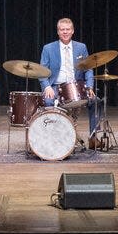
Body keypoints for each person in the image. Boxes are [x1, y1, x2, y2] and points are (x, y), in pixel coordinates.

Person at [38, 18, 97, 147]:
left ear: (73, 31)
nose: (65, 32)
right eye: (62, 30)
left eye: (67, 29)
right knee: (48, 101)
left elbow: (88, 69)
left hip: (76, 85)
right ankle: (52, 139)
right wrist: (47, 86)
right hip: (55, 86)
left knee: (95, 101)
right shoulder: (48, 48)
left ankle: (93, 137)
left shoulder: (81, 47)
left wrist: (90, 86)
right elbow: (41, 71)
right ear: (58, 32)